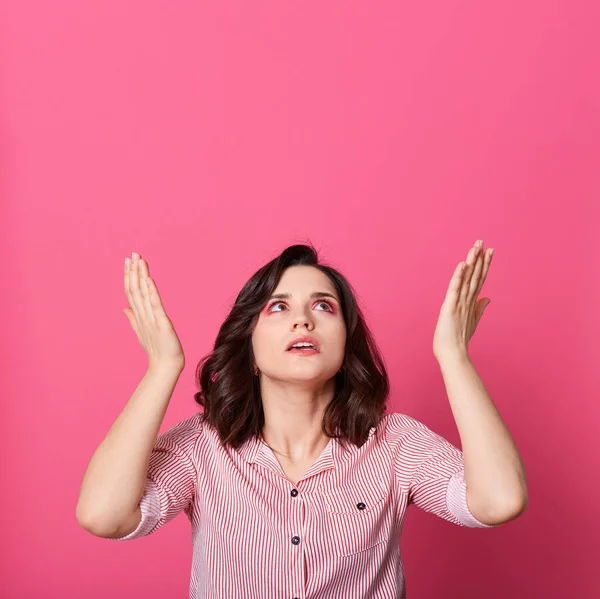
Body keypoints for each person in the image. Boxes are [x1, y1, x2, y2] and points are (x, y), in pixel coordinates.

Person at [76, 241, 527, 599]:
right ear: (248, 349)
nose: (303, 322)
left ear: (346, 345)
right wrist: (161, 368)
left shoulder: (396, 443)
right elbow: (104, 515)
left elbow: (499, 501)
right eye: (278, 307)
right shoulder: (202, 446)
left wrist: (454, 356)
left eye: (323, 306)